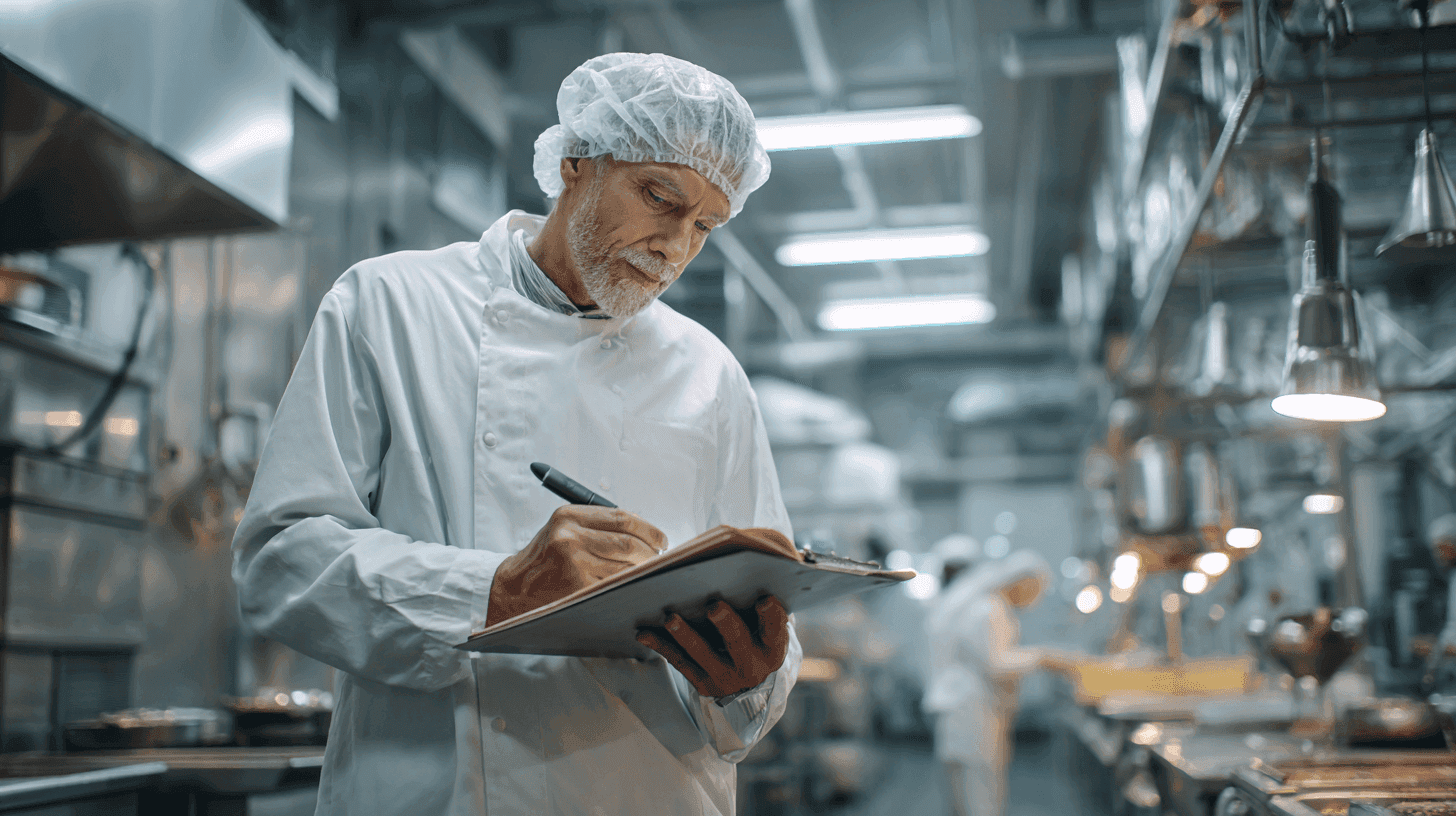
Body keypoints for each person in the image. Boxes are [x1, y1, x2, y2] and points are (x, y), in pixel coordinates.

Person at [232, 53, 799, 816]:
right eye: (660, 195)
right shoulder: (391, 305)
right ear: (575, 163)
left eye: (706, 224)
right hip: (439, 793)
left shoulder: (709, 372)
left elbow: (765, 592)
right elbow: (279, 560)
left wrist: (751, 677)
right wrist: (493, 594)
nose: (675, 245)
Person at [923, 550, 1055, 816]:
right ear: (1021, 582)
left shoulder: (986, 607)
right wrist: (1045, 658)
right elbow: (996, 664)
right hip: (974, 715)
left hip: (966, 714)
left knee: (966, 794)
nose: (1034, 599)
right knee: (980, 795)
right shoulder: (989, 610)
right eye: (1035, 590)